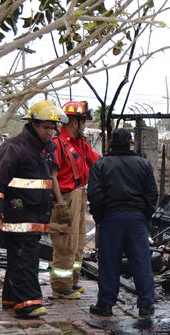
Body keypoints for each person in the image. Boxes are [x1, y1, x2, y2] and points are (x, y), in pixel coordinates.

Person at [0, 100, 68, 318]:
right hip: (18, 214)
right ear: (33, 124)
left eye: (52, 128)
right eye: (46, 127)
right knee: (27, 259)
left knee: (18, 258)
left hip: (35, 214)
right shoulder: (15, 146)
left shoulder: (46, 149)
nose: (50, 132)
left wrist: (57, 203)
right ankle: (28, 304)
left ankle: (11, 298)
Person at [87, 128, 158, 318]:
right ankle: (146, 306)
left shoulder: (100, 165)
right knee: (141, 261)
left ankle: (105, 304)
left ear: (111, 143)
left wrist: (99, 217)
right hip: (137, 218)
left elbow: (94, 195)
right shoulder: (143, 164)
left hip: (111, 218)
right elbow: (152, 194)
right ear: (130, 143)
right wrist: (144, 215)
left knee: (109, 262)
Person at [49, 100, 101, 299]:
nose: (84, 125)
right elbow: (52, 176)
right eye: (83, 121)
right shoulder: (57, 144)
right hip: (66, 198)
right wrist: (60, 203)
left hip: (79, 194)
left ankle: (72, 280)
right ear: (73, 122)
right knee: (65, 243)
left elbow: (96, 161)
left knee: (78, 241)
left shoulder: (79, 143)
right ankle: (61, 286)